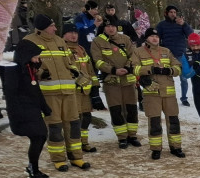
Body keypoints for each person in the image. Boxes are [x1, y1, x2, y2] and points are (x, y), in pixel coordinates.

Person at [25, 14, 90, 172]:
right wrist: (40, 73)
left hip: (69, 91)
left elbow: (70, 61)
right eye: (52, 26)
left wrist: (74, 71)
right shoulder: (29, 41)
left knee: (74, 125)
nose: (55, 28)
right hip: (48, 94)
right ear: (43, 27)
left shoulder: (60, 41)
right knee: (54, 127)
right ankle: (59, 159)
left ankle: (76, 157)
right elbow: (26, 65)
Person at [4, 30, 53, 178]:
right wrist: (17, 113)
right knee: (39, 136)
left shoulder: (29, 68)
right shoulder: (14, 70)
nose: (37, 60)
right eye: (35, 56)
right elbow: (11, 94)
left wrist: (45, 108)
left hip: (33, 109)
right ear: (26, 55)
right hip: (23, 111)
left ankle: (33, 167)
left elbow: (35, 90)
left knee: (41, 136)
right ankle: (33, 169)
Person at [131, 28, 184, 159]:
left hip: (169, 93)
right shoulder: (138, 52)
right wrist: (151, 69)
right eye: (152, 36)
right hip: (152, 93)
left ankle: (176, 147)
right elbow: (134, 68)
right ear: (146, 38)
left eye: (157, 36)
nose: (155, 39)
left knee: (173, 121)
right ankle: (156, 149)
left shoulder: (166, 51)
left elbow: (178, 67)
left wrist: (168, 71)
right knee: (154, 122)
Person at [92, 18, 140, 149]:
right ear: (104, 28)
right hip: (111, 81)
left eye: (113, 26)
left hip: (128, 80)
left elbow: (133, 56)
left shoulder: (125, 39)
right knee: (116, 110)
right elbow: (98, 61)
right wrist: (113, 70)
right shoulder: (97, 41)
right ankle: (122, 137)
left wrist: (128, 67)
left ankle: (132, 135)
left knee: (131, 109)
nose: (111, 28)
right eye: (108, 26)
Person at [62, 24, 99, 155]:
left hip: (85, 91)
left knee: (86, 117)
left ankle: (84, 142)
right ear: (64, 34)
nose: (73, 35)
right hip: (73, 91)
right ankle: (73, 145)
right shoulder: (62, 49)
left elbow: (90, 70)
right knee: (74, 119)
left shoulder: (81, 49)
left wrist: (95, 88)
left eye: (75, 33)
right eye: (70, 33)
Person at [156, 5, 193, 107]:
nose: (173, 14)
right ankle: (165, 96)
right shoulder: (161, 25)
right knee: (165, 78)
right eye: (171, 12)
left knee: (183, 78)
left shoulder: (181, 24)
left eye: (174, 12)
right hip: (166, 56)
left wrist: (184, 24)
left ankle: (184, 98)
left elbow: (191, 35)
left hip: (180, 54)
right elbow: (156, 38)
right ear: (166, 13)